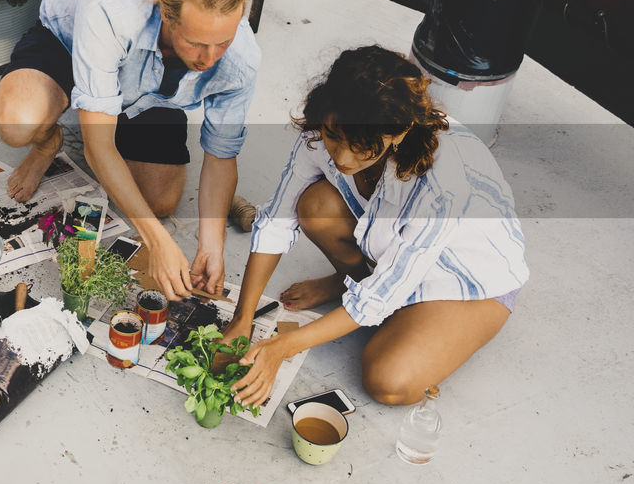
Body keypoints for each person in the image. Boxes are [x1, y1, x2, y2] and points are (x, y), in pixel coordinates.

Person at [222, 45, 529, 407]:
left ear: (398, 134)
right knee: (315, 206)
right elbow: (276, 222)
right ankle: (350, 285)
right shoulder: (327, 128)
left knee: (388, 381)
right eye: (336, 138)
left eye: (362, 146)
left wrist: (283, 346)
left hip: (465, 279)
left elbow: (384, 295)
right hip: (392, 253)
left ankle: (424, 332)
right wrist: (242, 320)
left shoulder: (444, 182)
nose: (342, 157)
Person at [0, 0, 260, 301]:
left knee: (159, 203)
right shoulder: (110, 11)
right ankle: (48, 141)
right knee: (18, 123)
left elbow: (221, 156)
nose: (209, 60)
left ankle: (122, 110)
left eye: (222, 43)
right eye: (196, 43)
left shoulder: (240, 59)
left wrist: (212, 245)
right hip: (70, 46)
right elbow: (98, 146)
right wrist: (157, 241)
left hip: (149, 88)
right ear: (165, 12)